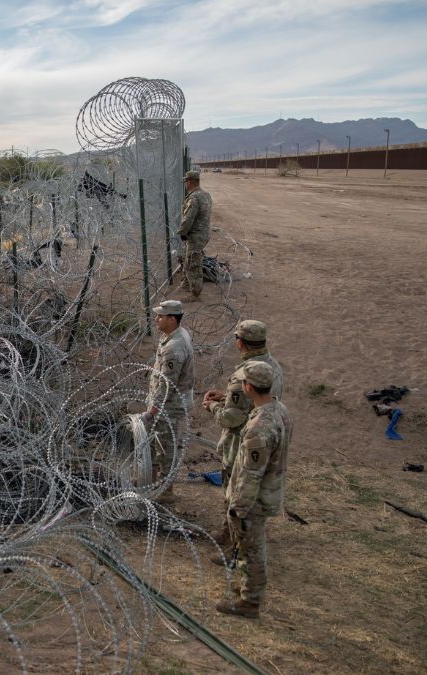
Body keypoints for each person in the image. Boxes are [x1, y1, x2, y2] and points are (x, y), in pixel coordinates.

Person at [201, 320, 284, 563]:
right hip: (266, 434)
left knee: (236, 496)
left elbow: (231, 418)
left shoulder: (244, 374)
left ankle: (234, 549)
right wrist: (228, 397)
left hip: (241, 443)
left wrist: (213, 406)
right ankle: (229, 536)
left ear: (240, 343)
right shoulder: (272, 367)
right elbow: (260, 397)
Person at [217, 360, 292, 619]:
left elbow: (251, 473)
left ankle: (250, 601)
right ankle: (248, 586)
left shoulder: (259, 427)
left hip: (255, 498)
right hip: (269, 489)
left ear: (248, 387)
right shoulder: (279, 409)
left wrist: (238, 507)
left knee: (253, 547)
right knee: (250, 546)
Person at [142, 299, 195, 499]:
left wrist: (153, 411)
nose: (156, 319)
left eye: (161, 316)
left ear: (172, 319)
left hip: (169, 405)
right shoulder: (175, 335)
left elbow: (167, 385)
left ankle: (165, 489)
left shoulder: (174, 347)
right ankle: (153, 479)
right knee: (156, 441)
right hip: (167, 401)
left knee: (165, 446)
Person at [178, 170, 212, 298]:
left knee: (193, 263)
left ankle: (195, 294)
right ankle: (186, 284)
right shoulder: (206, 194)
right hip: (202, 234)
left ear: (190, 181)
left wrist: (182, 232)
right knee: (189, 260)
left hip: (195, 235)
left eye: (186, 181)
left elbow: (188, 218)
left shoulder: (194, 197)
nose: (185, 184)